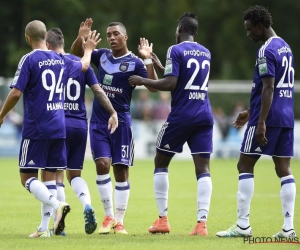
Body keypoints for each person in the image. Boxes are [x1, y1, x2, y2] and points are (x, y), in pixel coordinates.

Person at [0, 20, 100, 238]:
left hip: (36, 127)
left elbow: (16, 93)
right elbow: (83, 65)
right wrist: (88, 49)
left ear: (28, 38)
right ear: (46, 37)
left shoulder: (29, 59)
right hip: (58, 126)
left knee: (26, 178)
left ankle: (58, 205)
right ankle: (44, 228)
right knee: (49, 176)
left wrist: (1, 116)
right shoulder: (60, 59)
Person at [129, 12, 214, 236]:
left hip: (182, 115)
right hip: (204, 115)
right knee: (203, 169)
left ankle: (162, 220)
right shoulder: (206, 52)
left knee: (160, 160)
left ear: (180, 30)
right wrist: (156, 64)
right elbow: (182, 80)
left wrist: (142, 80)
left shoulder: (175, 50)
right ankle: (201, 224)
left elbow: (169, 83)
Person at [70, 18, 157, 234]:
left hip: (123, 122)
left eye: (115, 34)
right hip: (99, 121)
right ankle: (108, 216)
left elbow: (154, 86)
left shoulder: (135, 62)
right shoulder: (101, 56)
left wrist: (147, 59)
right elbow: (76, 54)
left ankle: (120, 220)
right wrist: (81, 37)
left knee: (120, 170)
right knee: (101, 164)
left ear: (125, 37)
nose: (111, 38)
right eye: (108, 35)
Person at [216, 5, 296, 238]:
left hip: (268, 118)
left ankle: (243, 225)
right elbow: (278, 88)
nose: (248, 34)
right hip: (286, 116)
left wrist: (259, 121)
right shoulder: (285, 47)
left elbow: (269, 87)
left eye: (250, 29)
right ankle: (288, 228)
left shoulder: (266, 50)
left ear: (260, 26)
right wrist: (250, 111)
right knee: (284, 169)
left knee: (244, 165)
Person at [37, 27, 118, 236]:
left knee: (55, 174)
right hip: (81, 125)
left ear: (48, 45)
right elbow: (98, 90)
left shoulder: (52, 63)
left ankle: (57, 222)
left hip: (58, 124)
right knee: (75, 174)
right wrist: (112, 112)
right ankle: (87, 205)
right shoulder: (82, 64)